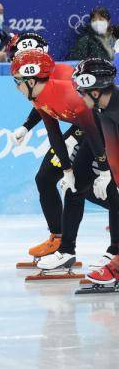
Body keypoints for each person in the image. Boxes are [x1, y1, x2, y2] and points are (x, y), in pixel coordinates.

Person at [7, 33, 110, 267]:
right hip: (85, 125)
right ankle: (63, 247)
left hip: (96, 126)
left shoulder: (63, 79)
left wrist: (102, 167)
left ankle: (66, 248)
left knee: (91, 186)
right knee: (70, 184)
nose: (16, 86)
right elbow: (50, 120)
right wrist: (66, 168)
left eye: (18, 80)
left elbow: (92, 119)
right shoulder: (37, 90)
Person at [71, 59, 119, 284]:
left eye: (82, 92)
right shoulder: (103, 109)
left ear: (96, 91)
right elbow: (113, 151)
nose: (80, 97)